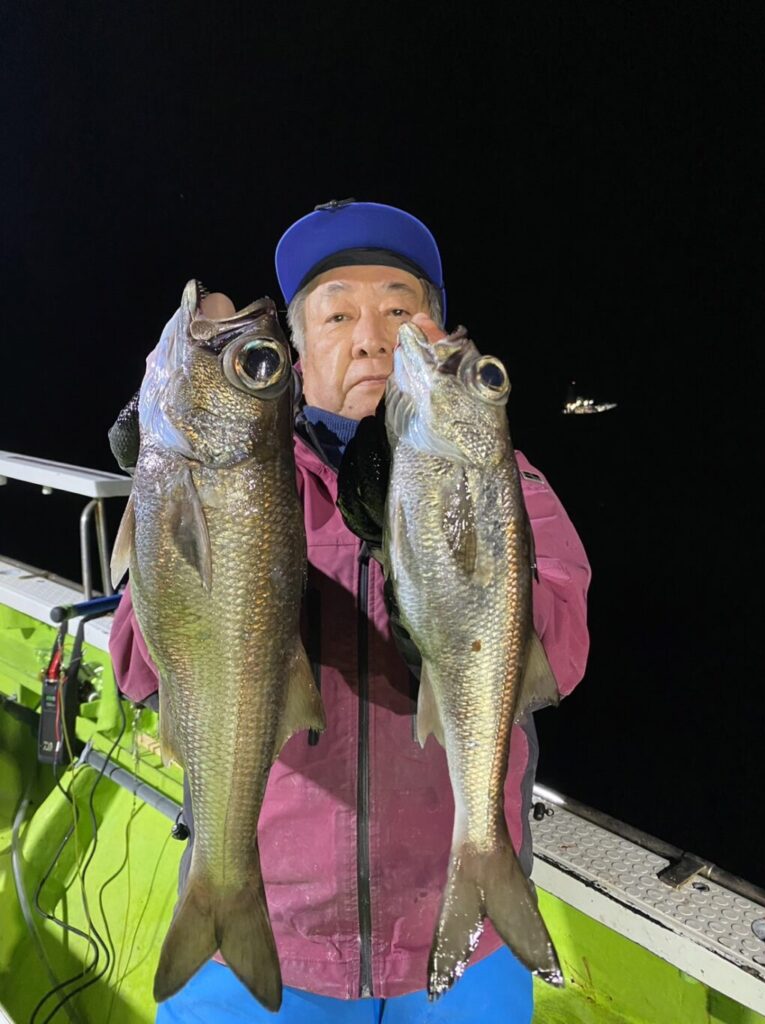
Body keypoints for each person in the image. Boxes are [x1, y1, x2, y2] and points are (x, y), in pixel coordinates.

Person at [108, 199, 591, 1023]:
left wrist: (445, 599)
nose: (371, 337)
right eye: (337, 316)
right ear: (296, 353)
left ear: (433, 334)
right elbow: (136, 667)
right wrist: (164, 510)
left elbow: (562, 649)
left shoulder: (502, 480)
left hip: (456, 938)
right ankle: (220, 901)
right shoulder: (252, 481)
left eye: (399, 311)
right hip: (277, 926)